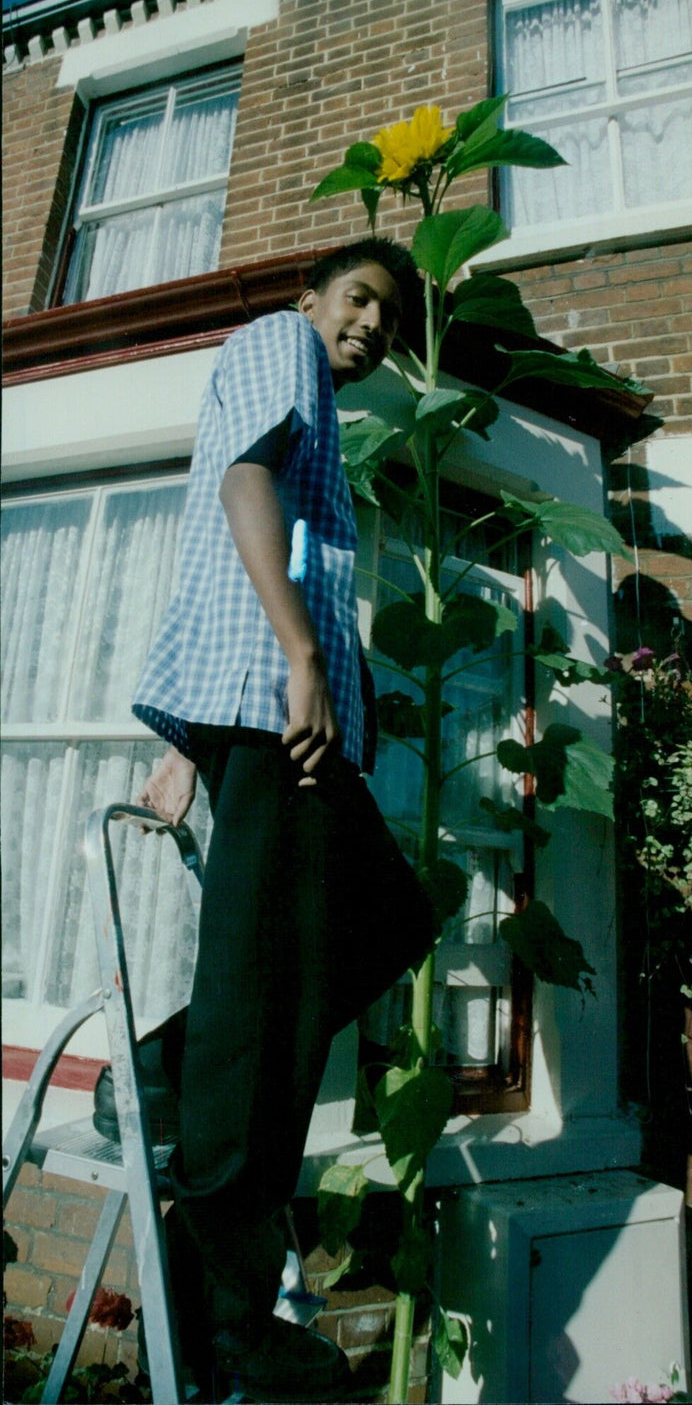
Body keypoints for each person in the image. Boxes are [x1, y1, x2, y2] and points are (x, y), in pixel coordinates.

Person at [129, 238, 437, 1402]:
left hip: (265, 713)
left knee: (372, 926)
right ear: (312, 299)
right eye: (358, 300)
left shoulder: (295, 379)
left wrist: (186, 734)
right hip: (274, 713)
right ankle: (232, 1313)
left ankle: (164, 1070)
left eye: (389, 319)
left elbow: (225, 540)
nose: (369, 326)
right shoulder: (279, 347)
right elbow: (241, 485)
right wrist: (302, 656)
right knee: (266, 1009)